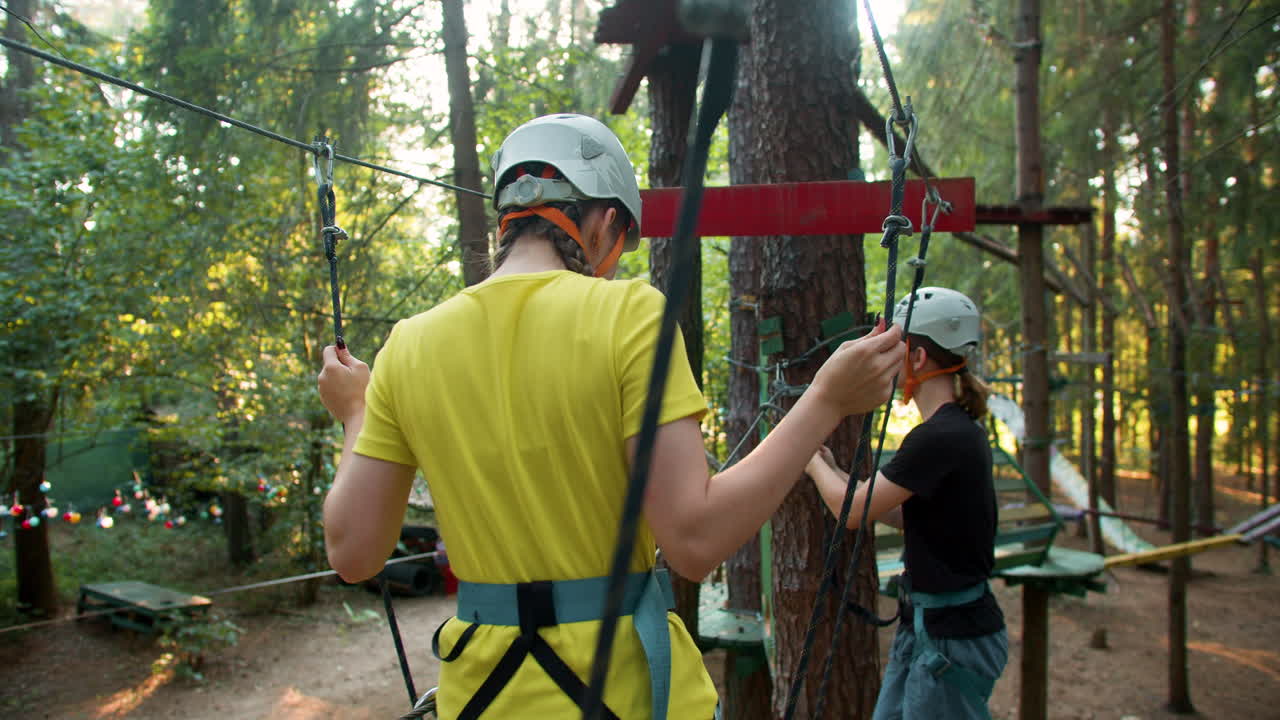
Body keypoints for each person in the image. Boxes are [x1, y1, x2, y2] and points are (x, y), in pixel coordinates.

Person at [317, 113, 904, 720]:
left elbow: (354, 552)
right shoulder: (629, 315)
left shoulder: (410, 344)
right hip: (625, 695)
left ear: (508, 221)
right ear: (605, 223)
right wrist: (828, 398)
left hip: (483, 701)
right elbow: (696, 541)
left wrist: (356, 411)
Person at [805, 286, 1007, 720]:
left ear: (916, 359)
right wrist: (835, 470)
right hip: (934, 628)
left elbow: (852, 511)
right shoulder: (958, 429)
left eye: (894, 349)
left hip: (951, 638)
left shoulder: (939, 436)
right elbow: (903, 512)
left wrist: (808, 459)